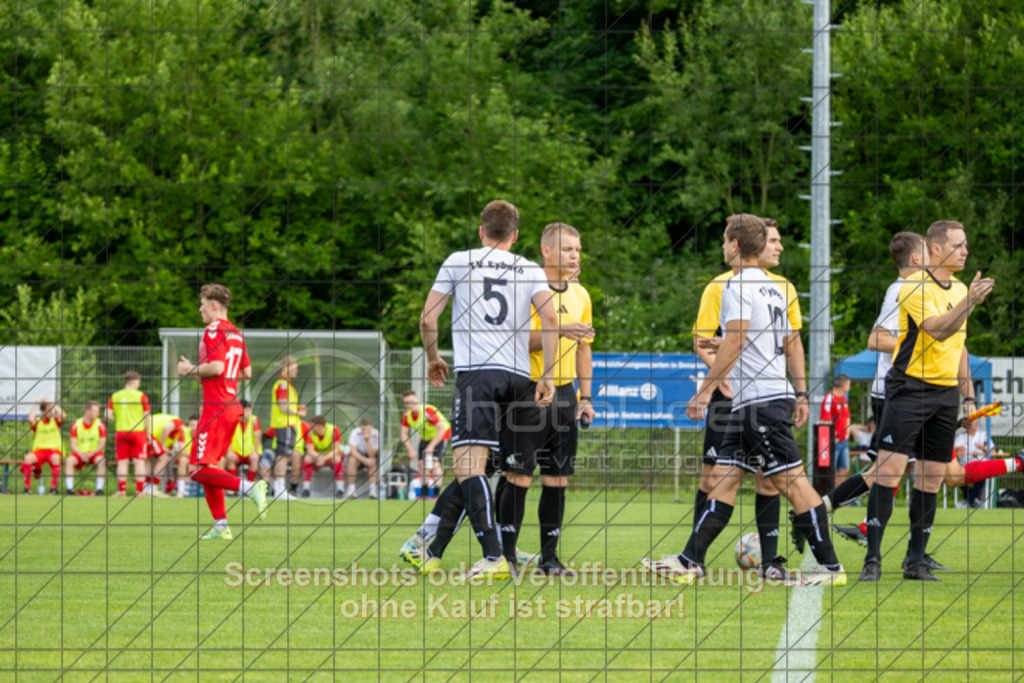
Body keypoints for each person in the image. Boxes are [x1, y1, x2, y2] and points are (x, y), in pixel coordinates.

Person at [642, 214, 845, 586]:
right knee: (723, 481)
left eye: (724, 239)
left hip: (761, 401)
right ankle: (690, 561)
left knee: (793, 484)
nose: (723, 245)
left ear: (734, 245)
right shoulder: (774, 288)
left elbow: (736, 341)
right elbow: (765, 342)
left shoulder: (737, 285)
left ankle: (830, 567)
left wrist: (705, 390)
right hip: (752, 402)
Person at [414, 199, 558, 579]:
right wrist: (548, 375)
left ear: (481, 231)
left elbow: (427, 319)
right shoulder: (529, 268)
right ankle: (437, 548)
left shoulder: (459, 261)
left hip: (478, 373)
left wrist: (433, 357)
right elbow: (550, 318)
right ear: (515, 235)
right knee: (503, 468)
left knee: (468, 467)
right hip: (519, 378)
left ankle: (493, 556)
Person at [858, 221, 995, 582]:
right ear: (935, 248)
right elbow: (937, 330)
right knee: (888, 472)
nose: (965, 251)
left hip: (945, 394)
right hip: (909, 389)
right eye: (957, 245)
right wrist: (969, 301)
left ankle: (915, 560)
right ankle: (872, 559)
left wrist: (968, 397)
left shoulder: (961, 287)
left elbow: (958, 347)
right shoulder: (913, 285)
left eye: (965, 245)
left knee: (932, 478)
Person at [688, 218, 804, 579]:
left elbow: (791, 343)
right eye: (773, 240)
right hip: (728, 393)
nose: (778, 247)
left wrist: (802, 392)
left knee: (768, 477)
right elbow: (703, 340)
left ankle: (770, 562)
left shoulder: (784, 288)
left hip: (764, 396)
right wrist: (720, 378)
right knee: (713, 477)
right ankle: (694, 558)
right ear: (755, 244)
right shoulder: (720, 286)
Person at [495, 221, 595, 575]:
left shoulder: (581, 295)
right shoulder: (526, 291)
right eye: (567, 249)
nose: (574, 256)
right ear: (546, 251)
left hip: (565, 395)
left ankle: (549, 559)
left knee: (557, 478)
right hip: (528, 390)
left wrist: (585, 397)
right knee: (518, 476)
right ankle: (505, 557)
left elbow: (584, 349)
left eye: (577, 250)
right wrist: (559, 330)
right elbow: (513, 342)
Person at [176, 283, 268, 539]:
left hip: (216, 407)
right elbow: (246, 372)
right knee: (208, 467)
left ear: (214, 305)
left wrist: (191, 369)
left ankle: (250, 488)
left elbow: (217, 367)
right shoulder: (236, 333)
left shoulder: (213, 329)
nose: (200, 309)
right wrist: (207, 374)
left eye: (203, 304)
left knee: (196, 469)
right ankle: (221, 527)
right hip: (231, 405)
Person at [399, 390, 451, 500]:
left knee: (435, 463)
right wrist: (410, 450)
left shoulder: (427, 411)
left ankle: (436, 494)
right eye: (407, 402)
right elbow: (403, 434)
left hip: (441, 435)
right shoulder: (406, 415)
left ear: (417, 400)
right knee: (421, 464)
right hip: (425, 438)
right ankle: (424, 494)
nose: (410, 404)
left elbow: (442, 428)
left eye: (412, 401)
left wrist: (431, 446)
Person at [107, 371, 151, 497]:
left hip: (121, 431)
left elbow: (108, 414)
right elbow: (147, 415)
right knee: (139, 462)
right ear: (134, 381)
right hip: (138, 432)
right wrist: (148, 433)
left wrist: (117, 420)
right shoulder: (140, 396)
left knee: (122, 462)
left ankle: (122, 490)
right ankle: (139, 491)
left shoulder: (116, 396)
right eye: (138, 382)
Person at [267, 357, 306, 499]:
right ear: (286, 367)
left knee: (285, 456)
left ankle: (280, 489)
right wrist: (298, 413)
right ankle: (279, 490)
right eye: (294, 367)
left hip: (287, 425)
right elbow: (283, 407)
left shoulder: (287, 385)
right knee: (282, 456)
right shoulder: (283, 385)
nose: (296, 371)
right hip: (284, 424)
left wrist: (296, 408)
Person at [954, 419, 1005, 508]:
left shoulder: (983, 435)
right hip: (964, 467)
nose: (977, 423)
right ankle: (973, 500)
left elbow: (993, 452)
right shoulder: (960, 437)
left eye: (977, 421)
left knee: (983, 473)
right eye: (974, 421)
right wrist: (958, 451)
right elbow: (954, 452)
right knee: (954, 475)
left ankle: (968, 501)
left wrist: (983, 447)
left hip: (980, 466)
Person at [22, 399, 65, 495]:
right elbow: (30, 419)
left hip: (53, 450)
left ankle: (53, 489)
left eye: (51, 410)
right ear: (42, 412)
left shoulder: (55, 421)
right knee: (27, 458)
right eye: (48, 411)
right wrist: (36, 404)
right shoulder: (37, 422)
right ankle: (27, 489)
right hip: (40, 451)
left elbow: (63, 415)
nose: (51, 413)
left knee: (55, 458)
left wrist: (53, 404)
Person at [65, 400, 106, 495]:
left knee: (102, 460)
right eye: (95, 411)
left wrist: (90, 454)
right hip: (80, 453)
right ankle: (69, 489)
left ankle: (99, 489)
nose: (97, 414)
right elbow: (73, 444)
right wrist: (82, 455)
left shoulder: (100, 425)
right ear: (87, 411)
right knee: (69, 461)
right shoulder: (76, 424)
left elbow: (102, 444)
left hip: (94, 453)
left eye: (98, 411)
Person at [820, 374, 852, 488]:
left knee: (845, 468)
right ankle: (829, 492)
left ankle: (838, 493)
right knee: (830, 470)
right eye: (848, 384)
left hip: (843, 440)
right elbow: (825, 420)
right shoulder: (829, 398)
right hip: (834, 440)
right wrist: (832, 436)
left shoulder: (844, 399)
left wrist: (847, 434)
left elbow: (847, 417)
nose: (849, 387)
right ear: (843, 384)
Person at [147, 412, 189, 497]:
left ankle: (145, 488)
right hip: (148, 432)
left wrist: (171, 476)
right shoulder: (179, 422)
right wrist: (163, 445)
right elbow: (166, 428)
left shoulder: (172, 438)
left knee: (153, 461)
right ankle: (153, 489)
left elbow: (169, 458)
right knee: (163, 458)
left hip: (146, 432)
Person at [225, 399, 262, 494]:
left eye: (249, 410)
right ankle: (232, 488)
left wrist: (255, 452)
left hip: (250, 452)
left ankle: (249, 487)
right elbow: (228, 437)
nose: (248, 413)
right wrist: (230, 451)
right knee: (230, 458)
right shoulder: (232, 419)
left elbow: (258, 436)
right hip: (236, 452)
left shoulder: (254, 420)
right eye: (246, 410)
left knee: (254, 458)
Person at [302, 416, 344, 498]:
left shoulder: (333, 430)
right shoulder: (310, 432)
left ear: (319, 426)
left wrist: (323, 459)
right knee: (307, 458)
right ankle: (306, 489)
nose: (311, 428)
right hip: (318, 456)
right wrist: (319, 457)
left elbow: (335, 450)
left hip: (330, 456)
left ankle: (340, 489)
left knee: (336, 458)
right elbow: (310, 450)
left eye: (312, 426)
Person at [344, 418, 380, 500]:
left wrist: (367, 441)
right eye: (363, 429)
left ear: (372, 427)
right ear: (360, 427)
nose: (365, 432)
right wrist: (364, 460)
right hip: (359, 456)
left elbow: (373, 454)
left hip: (370, 455)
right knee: (352, 460)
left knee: (373, 461)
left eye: (368, 429)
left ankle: (373, 490)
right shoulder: (355, 432)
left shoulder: (377, 434)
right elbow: (353, 451)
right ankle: (351, 489)